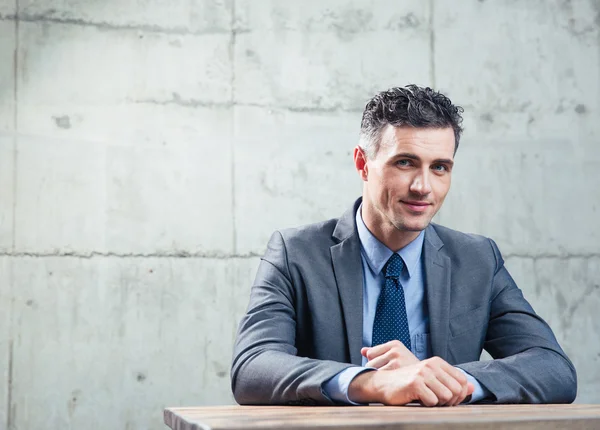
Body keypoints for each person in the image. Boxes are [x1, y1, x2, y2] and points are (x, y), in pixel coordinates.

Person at [230, 85, 577, 406]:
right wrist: (373, 384)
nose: (423, 187)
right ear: (363, 163)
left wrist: (441, 381)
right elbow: (252, 367)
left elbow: (553, 368)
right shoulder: (296, 254)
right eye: (405, 162)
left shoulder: (478, 260)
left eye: (439, 167)